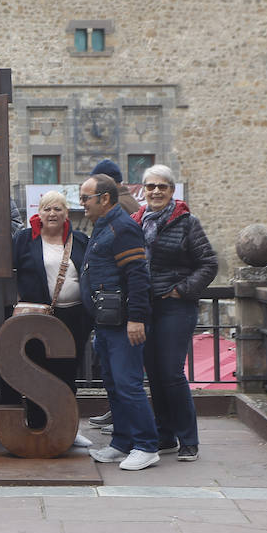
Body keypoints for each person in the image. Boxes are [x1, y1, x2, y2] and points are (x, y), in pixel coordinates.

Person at [135, 164, 218, 463]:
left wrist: (182, 289)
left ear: (172, 191)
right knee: (154, 374)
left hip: (175, 307)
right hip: (146, 307)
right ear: (142, 191)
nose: (156, 192)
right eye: (150, 186)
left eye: (162, 187)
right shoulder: (137, 222)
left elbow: (209, 263)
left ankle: (189, 439)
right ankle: (164, 435)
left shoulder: (186, 222)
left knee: (171, 372)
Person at [79, 173, 160, 471]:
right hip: (106, 323)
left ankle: (146, 445)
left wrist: (136, 318)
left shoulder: (122, 228)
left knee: (128, 385)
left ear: (105, 199)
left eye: (86, 198)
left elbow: (138, 276)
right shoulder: (103, 226)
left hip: (123, 323)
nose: (82, 203)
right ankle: (122, 443)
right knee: (114, 385)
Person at [11, 190, 91, 447]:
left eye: (58, 209)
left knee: (67, 372)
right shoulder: (24, 239)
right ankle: (38, 425)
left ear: (66, 213)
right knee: (38, 371)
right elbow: (10, 272)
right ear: (39, 213)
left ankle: (68, 428)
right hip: (38, 317)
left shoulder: (79, 240)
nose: (52, 213)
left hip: (74, 317)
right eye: (47, 209)